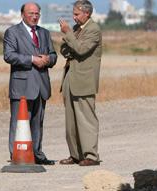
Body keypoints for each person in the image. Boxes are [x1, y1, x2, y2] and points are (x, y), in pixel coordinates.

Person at [3, 2, 57, 165]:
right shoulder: (12, 32)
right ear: (22, 14)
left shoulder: (45, 33)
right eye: (31, 13)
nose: (34, 16)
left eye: (37, 13)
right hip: (22, 86)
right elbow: (9, 56)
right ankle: (17, 155)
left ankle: (36, 154)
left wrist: (48, 60)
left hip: (41, 85)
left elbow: (53, 55)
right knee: (19, 122)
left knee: (37, 122)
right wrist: (32, 59)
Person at [58, 0, 102, 166]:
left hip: (84, 80)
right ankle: (75, 154)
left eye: (77, 14)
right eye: (73, 14)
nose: (74, 17)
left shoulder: (94, 29)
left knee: (86, 119)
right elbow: (66, 49)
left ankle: (91, 156)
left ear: (87, 13)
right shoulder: (77, 29)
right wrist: (69, 37)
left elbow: (82, 49)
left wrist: (68, 33)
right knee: (71, 121)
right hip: (70, 76)